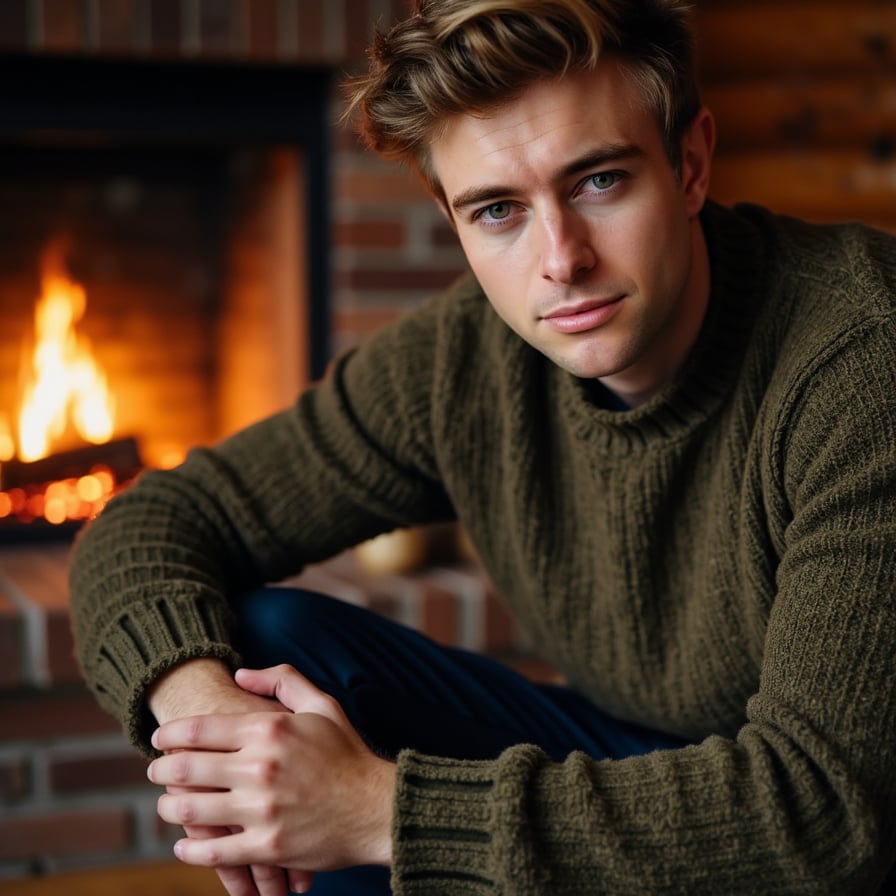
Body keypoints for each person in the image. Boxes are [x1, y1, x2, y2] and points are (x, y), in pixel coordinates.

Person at [68, 0, 896, 893]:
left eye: (600, 182)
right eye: (499, 210)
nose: (561, 259)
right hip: (638, 758)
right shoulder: (461, 361)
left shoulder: (860, 357)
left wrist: (372, 810)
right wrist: (212, 717)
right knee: (276, 654)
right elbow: (150, 523)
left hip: (844, 824)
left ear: (690, 165)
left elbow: (827, 813)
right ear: (456, 222)